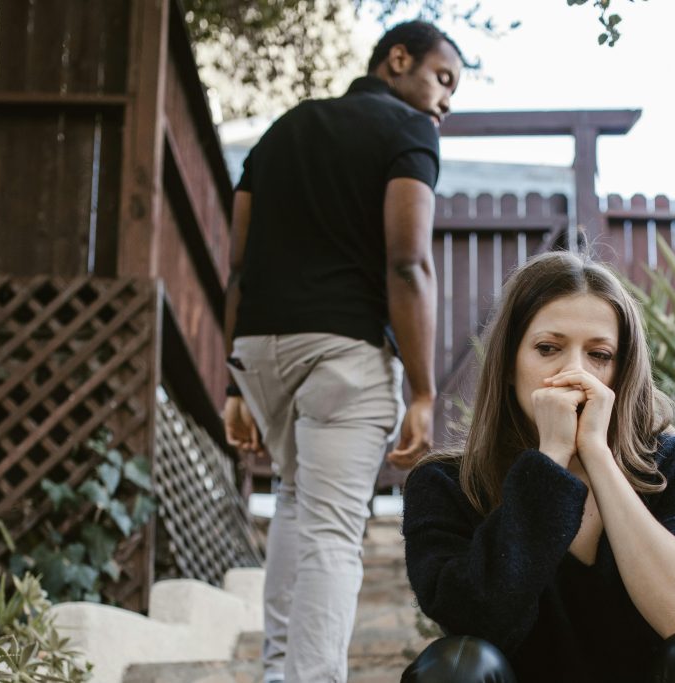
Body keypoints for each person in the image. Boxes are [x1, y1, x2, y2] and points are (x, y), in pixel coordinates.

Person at [220, 20, 465, 683]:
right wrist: (422, 389)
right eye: (443, 79)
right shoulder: (410, 132)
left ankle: (280, 672)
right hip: (344, 356)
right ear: (398, 58)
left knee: (297, 504)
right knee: (332, 529)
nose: (445, 101)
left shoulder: (284, 129)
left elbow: (238, 265)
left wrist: (235, 384)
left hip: (261, 350)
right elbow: (409, 262)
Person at [400, 251, 675, 683]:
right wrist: (549, 461)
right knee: (454, 665)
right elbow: (478, 623)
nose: (575, 372)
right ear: (510, 365)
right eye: (548, 348)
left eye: (600, 355)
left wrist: (596, 451)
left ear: (621, 372)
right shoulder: (446, 484)